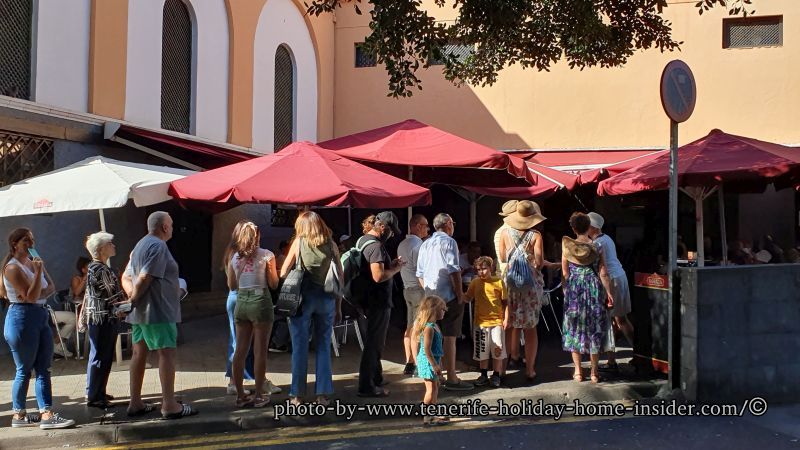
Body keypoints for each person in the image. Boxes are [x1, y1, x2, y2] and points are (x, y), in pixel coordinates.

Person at [121, 211, 197, 419]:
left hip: (141, 312)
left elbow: (126, 276)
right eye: (171, 225)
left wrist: (131, 299)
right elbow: (145, 277)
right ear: (164, 227)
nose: (172, 228)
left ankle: (135, 402)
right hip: (157, 311)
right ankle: (169, 405)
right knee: (166, 354)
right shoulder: (158, 246)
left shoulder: (140, 245)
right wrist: (134, 299)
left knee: (139, 354)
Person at [2, 228, 75, 429]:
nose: (31, 244)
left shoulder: (33, 263)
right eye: (26, 241)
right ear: (15, 244)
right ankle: (19, 415)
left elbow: (51, 286)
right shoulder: (12, 268)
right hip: (22, 317)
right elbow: (32, 296)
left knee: (44, 367)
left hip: (40, 314)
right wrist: (39, 273)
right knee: (24, 369)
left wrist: (38, 280)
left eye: (32, 240)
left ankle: (46, 413)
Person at [280, 211, 343, 406]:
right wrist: (339, 306)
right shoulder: (331, 245)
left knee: (300, 347)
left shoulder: (299, 243)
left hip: (302, 300)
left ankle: (297, 395)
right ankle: (322, 394)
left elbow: (282, 273)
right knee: (324, 346)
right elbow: (340, 276)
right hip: (326, 300)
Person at [416, 213, 473, 391]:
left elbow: (420, 275)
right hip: (448, 295)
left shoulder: (425, 244)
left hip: (430, 295)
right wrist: (460, 294)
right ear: (448, 224)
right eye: (453, 223)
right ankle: (452, 377)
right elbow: (454, 270)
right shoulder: (449, 242)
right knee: (450, 336)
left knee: (430, 336)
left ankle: (433, 375)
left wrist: (428, 292)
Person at [228, 221, 279, 408]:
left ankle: (240, 394)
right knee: (260, 352)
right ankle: (259, 395)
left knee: (239, 351)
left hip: (241, 302)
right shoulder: (267, 255)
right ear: (257, 236)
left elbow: (232, 285)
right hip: (260, 302)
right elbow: (273, 284)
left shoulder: (234, 257)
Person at [561, 212, 614, 384]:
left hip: (575, 289)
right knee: (594, 329)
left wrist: (565, 290)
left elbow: (565, 273)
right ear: (588, 226)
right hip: (593, 288)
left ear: (574, 228)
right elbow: (603, 272)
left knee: (574, 328)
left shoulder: (568, 247)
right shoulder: (597, 246)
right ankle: (594, 373)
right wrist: (609, 293)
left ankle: (577, 372)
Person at [357, 211, 405, 397]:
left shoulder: (363, 241)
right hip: (377, 301)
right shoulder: (376, 247)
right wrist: (396, 269)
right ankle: (367, 386)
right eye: (391, 231)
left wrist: (390, 264)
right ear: (383, 227)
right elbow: (378, 276)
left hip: (366, 300)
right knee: (374, 343)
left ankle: (376, 377)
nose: (392, 235)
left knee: (375, 341)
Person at [498, 200, 546, 383]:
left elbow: (503, 257)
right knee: (530, 328)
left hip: (510, 284)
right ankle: (530, 370)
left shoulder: (504, 233)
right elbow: (539, 262)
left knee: (509, 325)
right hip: (530, 287)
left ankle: (502, 370)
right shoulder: (536, 235)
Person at [79, 232, 123, 409]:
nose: (113, 246)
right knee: (100, 356)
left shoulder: (94, 267)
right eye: (110, 244)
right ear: (101, 249)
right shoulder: (100, 269)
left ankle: (97, 391)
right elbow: (111, 294)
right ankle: (95, 396)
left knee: (100, 355)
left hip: (100, 316)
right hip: (102, 317)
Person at [587, 212, 634, 370]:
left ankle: (637, 354)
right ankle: (612, 359)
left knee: (618, 320)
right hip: (618, 277)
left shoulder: (598, 243)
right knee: (616, 320)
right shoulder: (606, 238)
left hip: (612, 280)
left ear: (593, 227)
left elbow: (601, 269)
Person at [465, 256, 508, 388]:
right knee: (481, 350)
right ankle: (483, 374)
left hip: (496, 321)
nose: (481, 272)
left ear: (491, 268)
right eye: (478, 269)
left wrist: (506, 319)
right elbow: (467, 297)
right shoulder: (475, 283)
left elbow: (505, 302)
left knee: (497, 349)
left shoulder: (499, 282)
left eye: (484, 269)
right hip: (480, 322)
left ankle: (496, 374)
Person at [397, 213, 429, 375]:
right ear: (418, 226)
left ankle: (409, 361)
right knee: (419, 328)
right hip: (418, 289)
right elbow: (421, 271)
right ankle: (417, 364)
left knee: (410, 326)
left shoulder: (402, 243)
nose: (427, 229)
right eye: (425, 226)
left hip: (407, 289)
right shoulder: (419, 245)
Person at [493, 200, 521, 368]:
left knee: (509, 319)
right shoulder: (508, 231)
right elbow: (505, 259)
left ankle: (511, 355)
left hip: (503, 276)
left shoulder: (499, 231)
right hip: (509, 277)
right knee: (509, 320)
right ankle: (509, 356)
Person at [412, 295, 448, 426]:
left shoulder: (435, 326)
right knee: (431, 389)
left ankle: (432, 412)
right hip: (428, 362)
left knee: (435, 388)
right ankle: (427, 415)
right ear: (434, 310)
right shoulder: (429, 328)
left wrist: (439, 364)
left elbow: (436, 350)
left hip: (433, 361)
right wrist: (435, 365)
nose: (444, 311)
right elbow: (427, 350)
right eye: (442, 309)